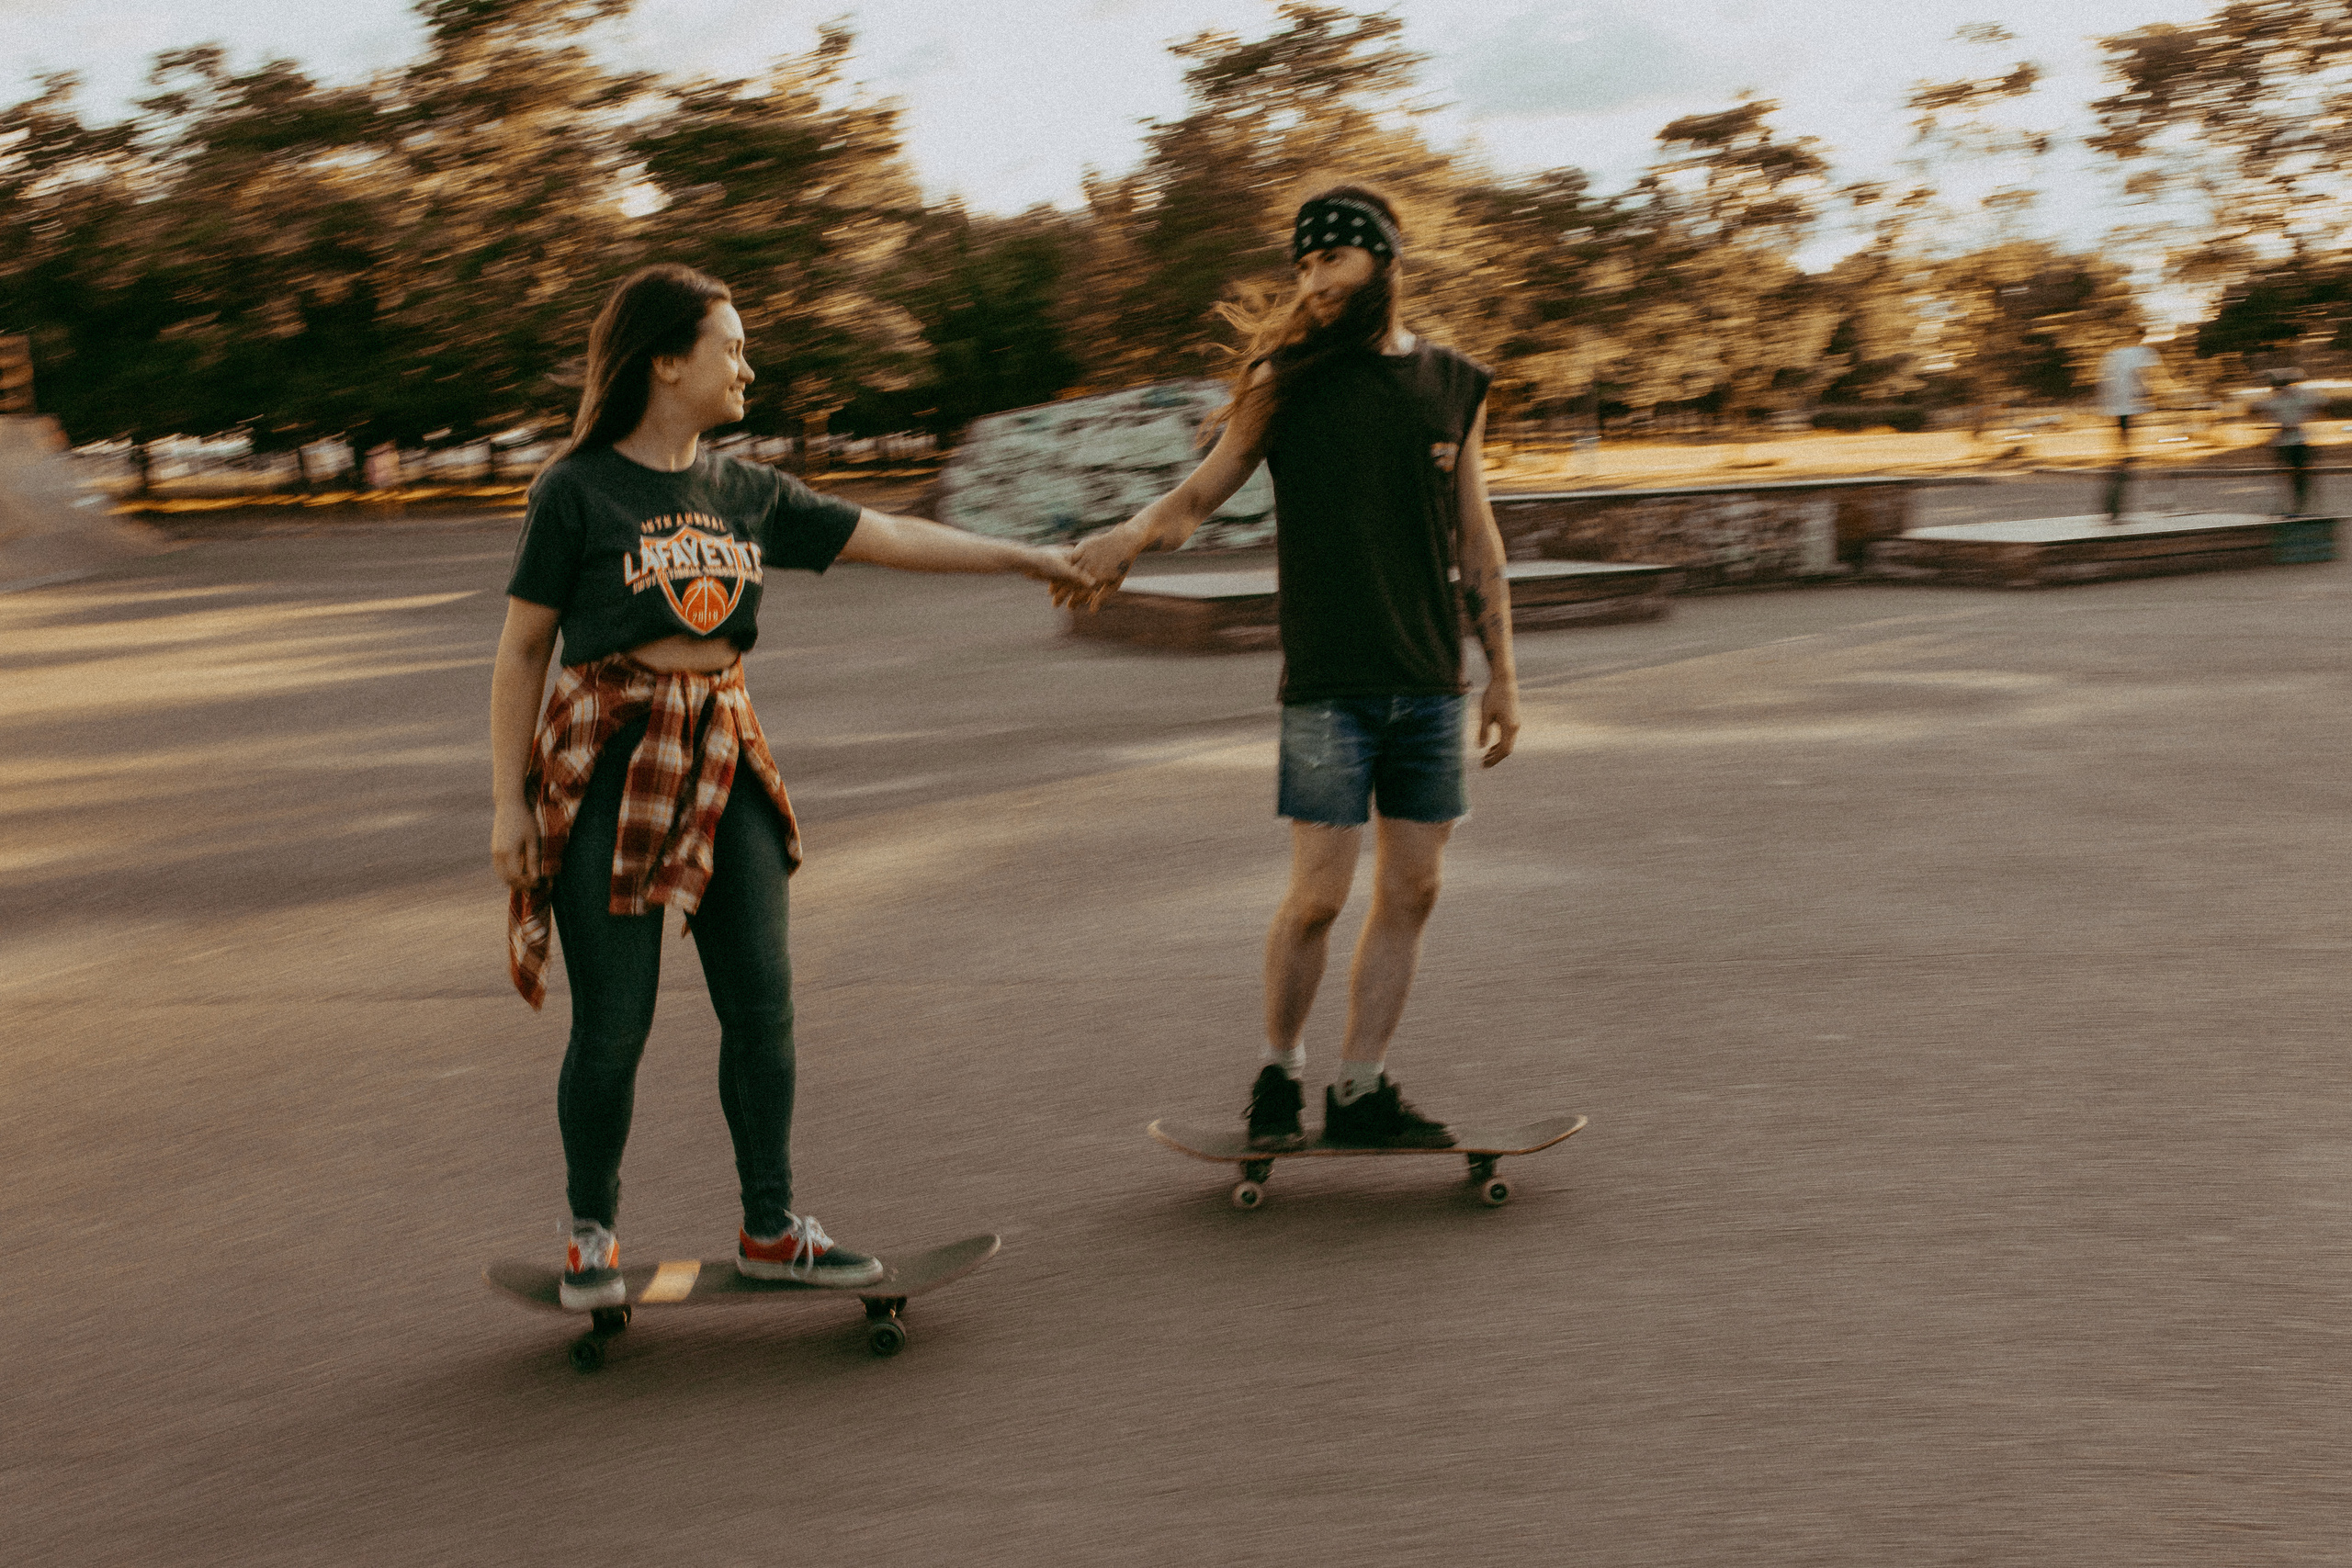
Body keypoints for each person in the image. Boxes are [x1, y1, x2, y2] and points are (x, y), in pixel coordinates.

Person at [491, 263, 1091, 1308]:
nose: (747, 367)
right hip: (609, 756)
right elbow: (521, 650)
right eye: (730, 347)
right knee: (614, 1023)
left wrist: (1028, 560)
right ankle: (592, 1235)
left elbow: (891, 536)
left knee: (763, 1006)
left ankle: (770, 1227)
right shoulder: (576, 490)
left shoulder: (743, 489)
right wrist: (508, 803)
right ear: (666, 361)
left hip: (722, 745)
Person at [1060, 186, 1520, 1152]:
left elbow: (1477, 537)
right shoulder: (1285, 380)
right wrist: (1129, 537)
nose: (1312, 282)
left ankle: (1361, 1088)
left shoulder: (1453, 384)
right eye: (1303, 266)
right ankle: (1279, 1072)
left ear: (1382, 263)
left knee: (1414, 891)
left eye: (1332, 262)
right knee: (1318, 895)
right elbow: (1201, 492)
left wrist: (1504, 674)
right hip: (1329, 681)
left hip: (1430, 679)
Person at [2098, 335, 2163, 521]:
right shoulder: (2140, 354)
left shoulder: (2117, 355)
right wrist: (2145, 395)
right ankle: (2114, 506)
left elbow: (2108, 382)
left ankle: (2113, 507)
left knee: (2123, 451)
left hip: (2117, 407)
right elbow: (2139, 376)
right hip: (2125, 407)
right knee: (2124, 457)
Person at [2254, 367, 2323, 517]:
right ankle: (2295, 505)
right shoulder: (2288, 398)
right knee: (2294, 476)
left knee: (2295, 476)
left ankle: (2299, 506)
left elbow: (2258, 407)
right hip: (2291, 441)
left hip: (2292, 441)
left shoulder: (2284, 398)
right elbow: (2319, 402)